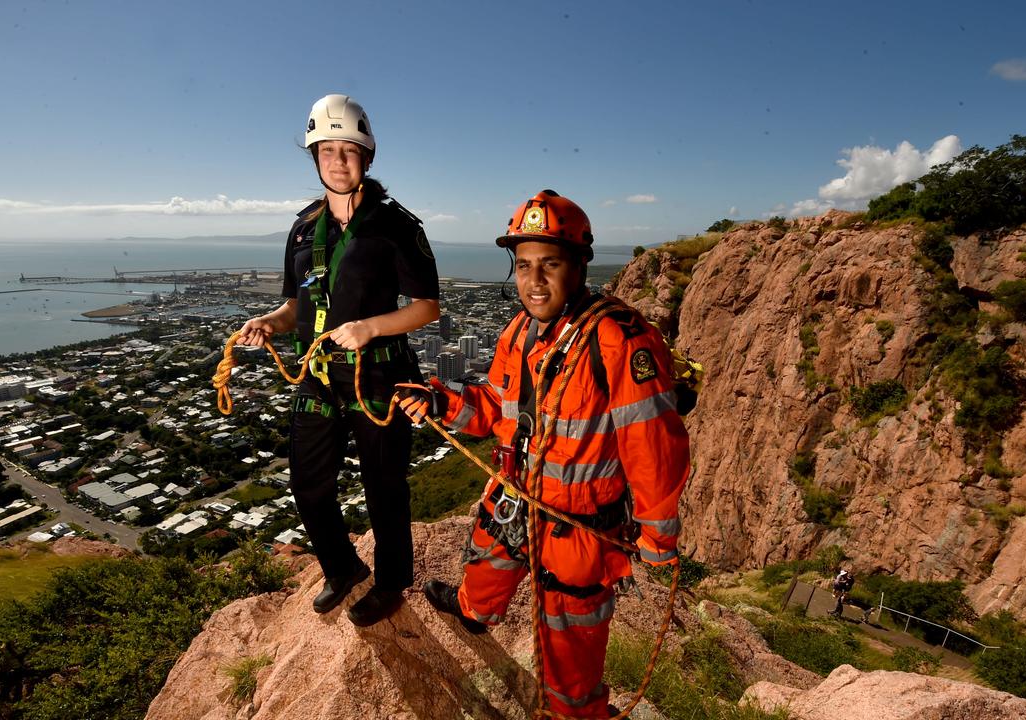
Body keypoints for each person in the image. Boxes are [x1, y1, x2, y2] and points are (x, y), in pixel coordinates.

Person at [397, 190, 690, 718]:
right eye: (524, 266)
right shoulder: (520, 330)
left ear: (579, 265)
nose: (533, 282)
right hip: (515, 495)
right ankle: (473, 613)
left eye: (549, 265)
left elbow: (653, 447)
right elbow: (495, 407)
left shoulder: (619, 339)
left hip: (576, 527)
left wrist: (658, 537)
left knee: (569, 652)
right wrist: (441, 402)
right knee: (486, 566)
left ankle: (575, 712)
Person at [236, 94, 440, 627]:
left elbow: (426, 307)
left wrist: (369, 326)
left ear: (366, 157)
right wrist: (269, 324)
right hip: (320, 377)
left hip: (380, 375)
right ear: (315, 157)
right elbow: (293, 306)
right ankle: (343, 567)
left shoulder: (396, 226)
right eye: (327, 150)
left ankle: (392, 581)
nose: (338, 160)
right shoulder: (304, 229)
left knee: (384, 488)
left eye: (348, 150)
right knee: (308, 484)